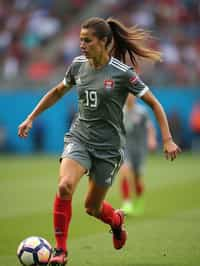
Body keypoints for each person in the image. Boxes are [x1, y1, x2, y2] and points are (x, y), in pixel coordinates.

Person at [18, 17, 181, 266]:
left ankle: (116, 221)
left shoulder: (122, 73)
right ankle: (61, 251)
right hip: (80, 137)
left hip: (108, 149)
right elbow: (57, 92)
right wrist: (30, 117)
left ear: (104, 42)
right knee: (64, 186)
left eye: (87, 40)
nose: (81, 44)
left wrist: (167, 139)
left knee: (92, 208)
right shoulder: (78, 66)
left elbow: (155, 104)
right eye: (80, 39)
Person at [119, 93, 157, 216]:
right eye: (127, 95)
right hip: (125, 148)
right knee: (124, 171)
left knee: (137, 179)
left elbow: (150, 127)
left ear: (135, 97)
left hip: (139, 150)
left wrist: (152, 139)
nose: (129, 97)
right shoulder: (119, 111)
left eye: (131, 95)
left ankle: (139, 201)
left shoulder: (142, 112)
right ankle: (127, 203)